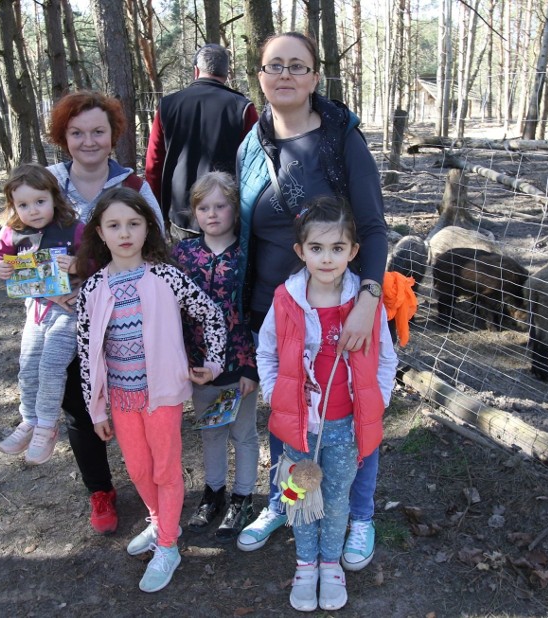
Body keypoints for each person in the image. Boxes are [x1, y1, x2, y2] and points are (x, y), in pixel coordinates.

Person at [236, 32, 389, 573]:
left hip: (343, 303)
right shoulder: (251, 144)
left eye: (296, 66)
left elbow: (371, 226)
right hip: (277, 305)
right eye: (273, 65)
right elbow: (245, 232)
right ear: (259, 74)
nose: (284, 75)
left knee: (354, 413)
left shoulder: (341, 137)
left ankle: (360, 517)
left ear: (314, 78)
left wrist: (368, 299)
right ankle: (287, 503)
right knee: (288, 412)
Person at [74, 187, 226, 593]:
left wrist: (213, 363)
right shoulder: (92, 290)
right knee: (139, 470)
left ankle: (168, 545)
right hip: (122, 400)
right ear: (101, 234)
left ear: (148, 229)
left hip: (162, 396)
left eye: (134, 224)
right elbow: (87, 352)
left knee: (165, 469)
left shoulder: (165, 276)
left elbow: (210, 313)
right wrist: (96, 409)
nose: (124, 233)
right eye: (114, 225)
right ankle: (160, 521)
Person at [256, 198, 397, 611]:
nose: (327, 258)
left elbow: (386, 357)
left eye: (338, 248)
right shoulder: (286, 299)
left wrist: (378, 401)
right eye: (316, 248)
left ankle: (330, 564)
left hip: (347, 426)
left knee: (336, 499)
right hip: (298, 425)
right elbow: (266, 351)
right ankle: (305, 564)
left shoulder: (364, 304)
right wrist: (272, 393)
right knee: (298, 495)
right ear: (300, 252)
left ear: (354, 252)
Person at [46, 90, 165, 535]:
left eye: (98, 131)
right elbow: (18, 245)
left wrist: (88, 266)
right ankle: (100, 490)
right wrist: (41, 287)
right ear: (64, 136)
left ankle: (155, 483)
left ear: (113, 135)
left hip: (127, 315)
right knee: (78, 403)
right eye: (77, 132)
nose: (88, 141)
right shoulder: (46, 183)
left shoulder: (133, 187)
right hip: (63, 317)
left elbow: (157, 248)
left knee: (139, 402)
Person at [171, 172, 259, 540]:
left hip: (239, 364)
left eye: (220, 205)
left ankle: (243, 498)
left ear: (234, 209)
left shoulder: (248, 254)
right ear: (193, 212)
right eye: (203, 207)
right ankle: (214, 493)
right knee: (211, 433)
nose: (212, 214)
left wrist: (252, 367)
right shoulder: (183, 254)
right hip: (199, 365)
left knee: (243, 433)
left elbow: (258, 312)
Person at [0, 164, 84, 465]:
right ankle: (29, 420)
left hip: (69, 310)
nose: (33, 210)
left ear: (54, 197)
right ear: (13, 206)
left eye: (40, 201)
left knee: (52, 365)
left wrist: (79, 263)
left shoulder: (72, 227)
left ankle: (46, 425)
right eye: (23, 204)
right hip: (37, 310)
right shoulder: (13, 231)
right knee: (27, 366)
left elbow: (98, 258)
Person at [145, 43, 258, 241]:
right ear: (227, 73)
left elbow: (154, 164)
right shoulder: (242, 108)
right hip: (227, 216)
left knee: (183, 269)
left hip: (181, 214)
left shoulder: (167, 106)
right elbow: (254, 167)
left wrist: (158, 211)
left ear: (196, 70)